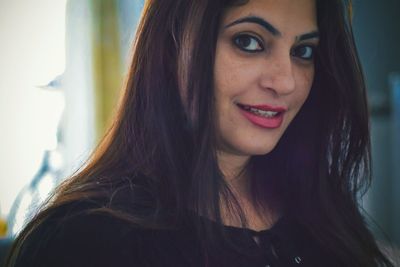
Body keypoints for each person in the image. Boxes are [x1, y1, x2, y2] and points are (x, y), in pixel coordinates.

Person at [5, 0, 395, 266]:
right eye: (249, 41)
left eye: (304, 51)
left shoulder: (325, 215)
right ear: (173, 46)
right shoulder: (77, 240)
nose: (286, 81)